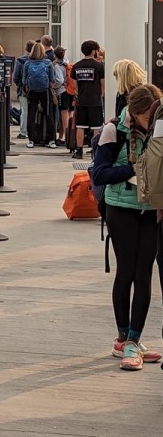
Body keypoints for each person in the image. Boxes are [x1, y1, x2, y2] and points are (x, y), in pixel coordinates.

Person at [91, 84, 163, 371]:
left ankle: (134, 339)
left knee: (144, 274)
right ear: (137, 111)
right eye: (150, 114)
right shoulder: (114, 130)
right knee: (126, 271)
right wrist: (136, 168)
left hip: (149, 212)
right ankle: (123, 338)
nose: (153, 118)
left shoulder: (158, 131)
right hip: (120, 209)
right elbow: (100, 173)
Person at [71, 40, 105, 159]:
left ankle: (79, 151)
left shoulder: (76, 66)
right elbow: (102, 85)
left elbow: (75, 86)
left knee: (80, 126)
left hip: (81, 100)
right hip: (95, 100)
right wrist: (101, 95)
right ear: (93, 51)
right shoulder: (99, 66)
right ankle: (94, 151)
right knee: (96, 127)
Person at [23, 42, 57, 149]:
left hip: (32, 91)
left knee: (31, 115)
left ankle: (31, 140)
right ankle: (51, 140)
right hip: (45, 91)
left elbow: (24, 80)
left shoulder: (27, 64)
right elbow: (52, 80)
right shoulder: (48, 63)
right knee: (49, 114)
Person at [12, 40, 34, 140]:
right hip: (37, 90)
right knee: (34, 111)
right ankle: (34, 132)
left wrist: (20, 85)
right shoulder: (41, 60)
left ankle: (23, 132)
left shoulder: (21, 60)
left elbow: (15, 77)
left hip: (23, 89)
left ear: (26, 48)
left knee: (24, 110)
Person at [54, 46, 73, 145]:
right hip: (71, 90)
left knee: (64, 116)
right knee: (70, 114)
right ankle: (64, 136)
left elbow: (60, 80)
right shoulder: (67, 62)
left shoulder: (57, 65)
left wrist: (54, 86)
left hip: (62, 91)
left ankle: (67, 136)